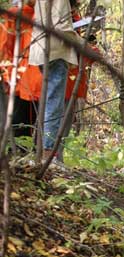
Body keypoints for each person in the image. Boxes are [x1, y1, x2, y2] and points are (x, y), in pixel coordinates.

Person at [29, 0, 79, 160]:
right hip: (56, 51)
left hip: (40, 50)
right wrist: (79, 42)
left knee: (49, 101)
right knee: (54, 104)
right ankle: (49, 153)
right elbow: (61, 27)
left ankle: (44, 152)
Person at [0, 0, 41, 145]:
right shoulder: (16, 14)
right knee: (19, 125)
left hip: (40, 83)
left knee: (38, 127)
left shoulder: (47, 14)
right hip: (20, 83)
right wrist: (7, 77)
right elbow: (4, 48)